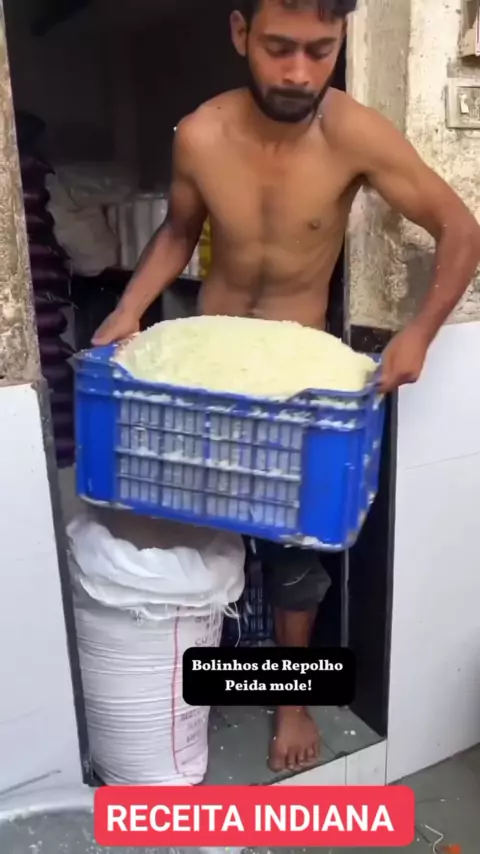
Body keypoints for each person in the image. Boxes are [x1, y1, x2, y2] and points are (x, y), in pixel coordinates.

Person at [93, 0, 480, 773]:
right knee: (186, 525)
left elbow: (460, 227)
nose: (300, 71)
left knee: (294, 557)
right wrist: (129, 308)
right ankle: (193, 673)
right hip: (206, 373)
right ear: (240, 33)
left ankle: (291, 699)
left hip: (295, 385)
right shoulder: (201, 133)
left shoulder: (355, 134)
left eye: (320, 49)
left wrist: (419, 330)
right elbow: (179, 230)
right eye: (278, 48)